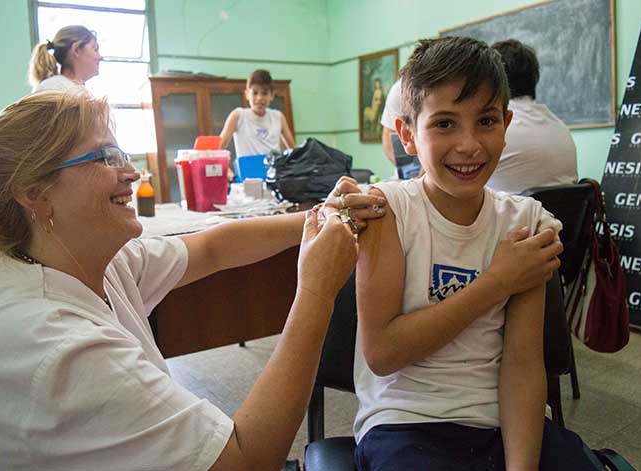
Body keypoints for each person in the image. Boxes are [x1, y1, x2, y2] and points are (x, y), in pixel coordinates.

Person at [0, 91, 386, 470]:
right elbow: (246, 461)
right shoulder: (58, 348)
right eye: (104, 157)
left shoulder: (85, 262)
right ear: (35, 193)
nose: (132, 172)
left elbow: (212, 247)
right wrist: (315, 291)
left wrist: (320, 216)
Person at [354, 37, 604, 470]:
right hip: (405, 422)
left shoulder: (527, 223)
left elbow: (524, 365)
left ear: (506, 124)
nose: (469, 145)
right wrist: (496, 283)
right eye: (445, 124)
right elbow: (383, 352)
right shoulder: (388, 212)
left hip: (505, 420)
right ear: (408, 135)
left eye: (486, 121)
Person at [487, 39, 578, 193]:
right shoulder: (560, 127)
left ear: (493, 79)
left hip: (511, 216)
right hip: (562, 218)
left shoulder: (499, 130)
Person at [220, 69, 296, 157]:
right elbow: (218, 149)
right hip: (247, 169)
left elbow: (293, 150)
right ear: (247, 94)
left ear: (272, 95)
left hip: (274, 169)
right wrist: (229, 170)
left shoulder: (278, 117)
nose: (259, 98)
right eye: (255, 93)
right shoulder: (238, 116)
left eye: (264, 93)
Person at [28, 25, 102, 93]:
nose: (100, 57)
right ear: (76, 50)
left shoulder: (71, 89)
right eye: (95, 49)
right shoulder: (55, 88)